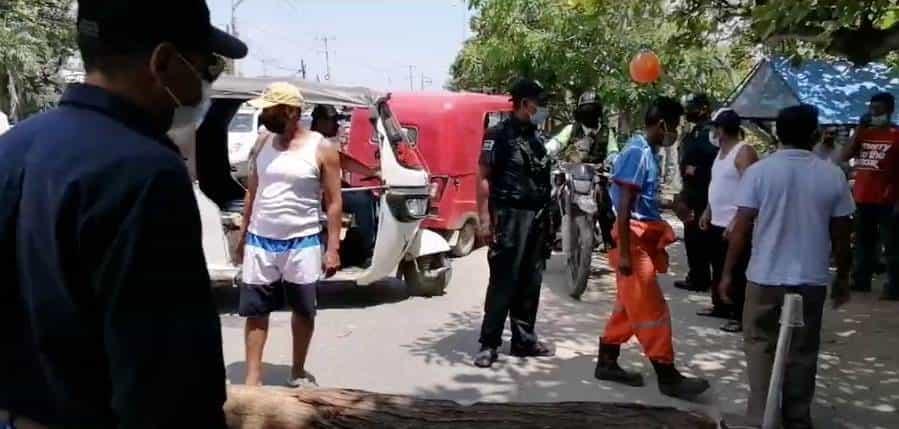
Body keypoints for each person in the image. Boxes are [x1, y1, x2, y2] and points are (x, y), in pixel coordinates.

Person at [0, 0, 246, 427]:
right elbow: (167, 379)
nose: (204, 87)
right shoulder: (145, 169)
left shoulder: (14, 148)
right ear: (164, 62)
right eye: (207, 69)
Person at [721, 104, 854, 427]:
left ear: (778, 133)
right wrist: (843, 278)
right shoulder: (832, 175)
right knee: (803, 350)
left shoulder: (760, 173)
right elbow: (842, 234)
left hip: (765, 276)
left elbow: (741, 228)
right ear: (814, 134)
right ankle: (797, 417)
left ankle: (762, 416)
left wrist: (727, 273)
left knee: (758, 343)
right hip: (810, 279)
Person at [594, 96, 710, 400]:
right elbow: (626, 206)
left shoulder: (645, 152)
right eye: (674, 126)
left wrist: (673, 205)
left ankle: (606, 360)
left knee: (629, 306)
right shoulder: (637, 152)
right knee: (652, 308)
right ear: (662, 124)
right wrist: (628, 252)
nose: (675, 132)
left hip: (638, 235)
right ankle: (667, 374)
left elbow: (641, 200)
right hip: (632, 239)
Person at [236, 83, 343, 387]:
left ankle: (297, 371)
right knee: (256, 312)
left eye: (270, 110)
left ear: (292, 112)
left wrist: (332, 247)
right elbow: (252, 193)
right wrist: (243, 236)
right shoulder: (262, 143)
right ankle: (253, 379)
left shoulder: (322, 147)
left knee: (303, 310)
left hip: (304, 241)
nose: (264, 115)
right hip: (260, 239)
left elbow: (334, 202)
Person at [474, 78, 554, 368]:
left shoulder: (536, 137)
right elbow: (482, 176)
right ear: (524, 103)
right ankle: (489, 343)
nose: (542, 107)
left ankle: (523, 339)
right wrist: (484, 219)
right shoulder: (498, 134)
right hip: (509, 216)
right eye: (538, 102)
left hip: (537, 217)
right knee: (503, 281)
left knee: (530, 280)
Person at [698, 109, 758, 333]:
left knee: (736, 270)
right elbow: (717, 185)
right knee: (718, 265)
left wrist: (736, 220)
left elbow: (750, 188)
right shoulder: (721, 153)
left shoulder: (743, 152)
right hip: (716, 219)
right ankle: (720, 306)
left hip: (735, 224)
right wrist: (707, 210)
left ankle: (740, 314)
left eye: (715, 128)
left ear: (721, 130)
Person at [841, 92, 899, 300]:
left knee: (892, 245)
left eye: (879, 109)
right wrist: (859, 129)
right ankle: (861, 281)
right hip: (863, 197)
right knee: (863, 242)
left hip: (888, 199)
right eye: (872, 109)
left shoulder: (896, 134)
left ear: (890, 110)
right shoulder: (864, 133)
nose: (874, 113)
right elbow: (844, 156)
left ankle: (894, 287)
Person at [546, 91, 618, 250]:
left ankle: (608, 241)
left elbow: (613, 152)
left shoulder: (607, 132)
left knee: (606, 207)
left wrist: (613, 160)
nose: (589, 114)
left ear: (598, 112)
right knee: (553, 202)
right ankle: (548, 238)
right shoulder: (571, 129)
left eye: (593, 110)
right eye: (586, 110)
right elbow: (556, 143)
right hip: (571, 174)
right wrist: (546, 151)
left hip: (596, 177)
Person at [311, 104, 378, 265]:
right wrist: (373, 173)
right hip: (316, 196)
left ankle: (361, 243)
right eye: (333, 121)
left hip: (321, 192)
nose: (337, 125)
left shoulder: (318, 141)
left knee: (365, 195)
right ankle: (368, 250)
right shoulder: (316, 142)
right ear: (320, 122)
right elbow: (342, 161)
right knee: (363, 201)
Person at [674, 94, 720, 304]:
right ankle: (697, 275)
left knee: (702, 236)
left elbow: (717, 161)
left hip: (705, 192)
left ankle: (702, 278)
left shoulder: (711, 132)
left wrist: (698, 170)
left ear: (703, 109)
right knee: (692, 236)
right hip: (692, 191)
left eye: (692, 108)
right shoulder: (696, 130)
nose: (688, 111)